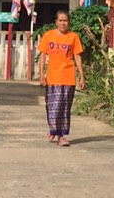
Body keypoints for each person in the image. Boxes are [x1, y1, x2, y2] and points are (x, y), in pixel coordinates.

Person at [35, 10, 86, 146]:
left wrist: (82, 76)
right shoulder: (48, 36)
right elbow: (43, 55)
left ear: (68, 22)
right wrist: (41, 74)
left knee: (64, 107)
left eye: (65, 21)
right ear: (56, 22)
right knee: (53, 107)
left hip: (68, 77)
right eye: (61, 20)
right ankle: (53, 130)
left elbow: (77, 56)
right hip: (53, 77)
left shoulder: (73, 37)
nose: (63, 23)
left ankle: (61, 136)